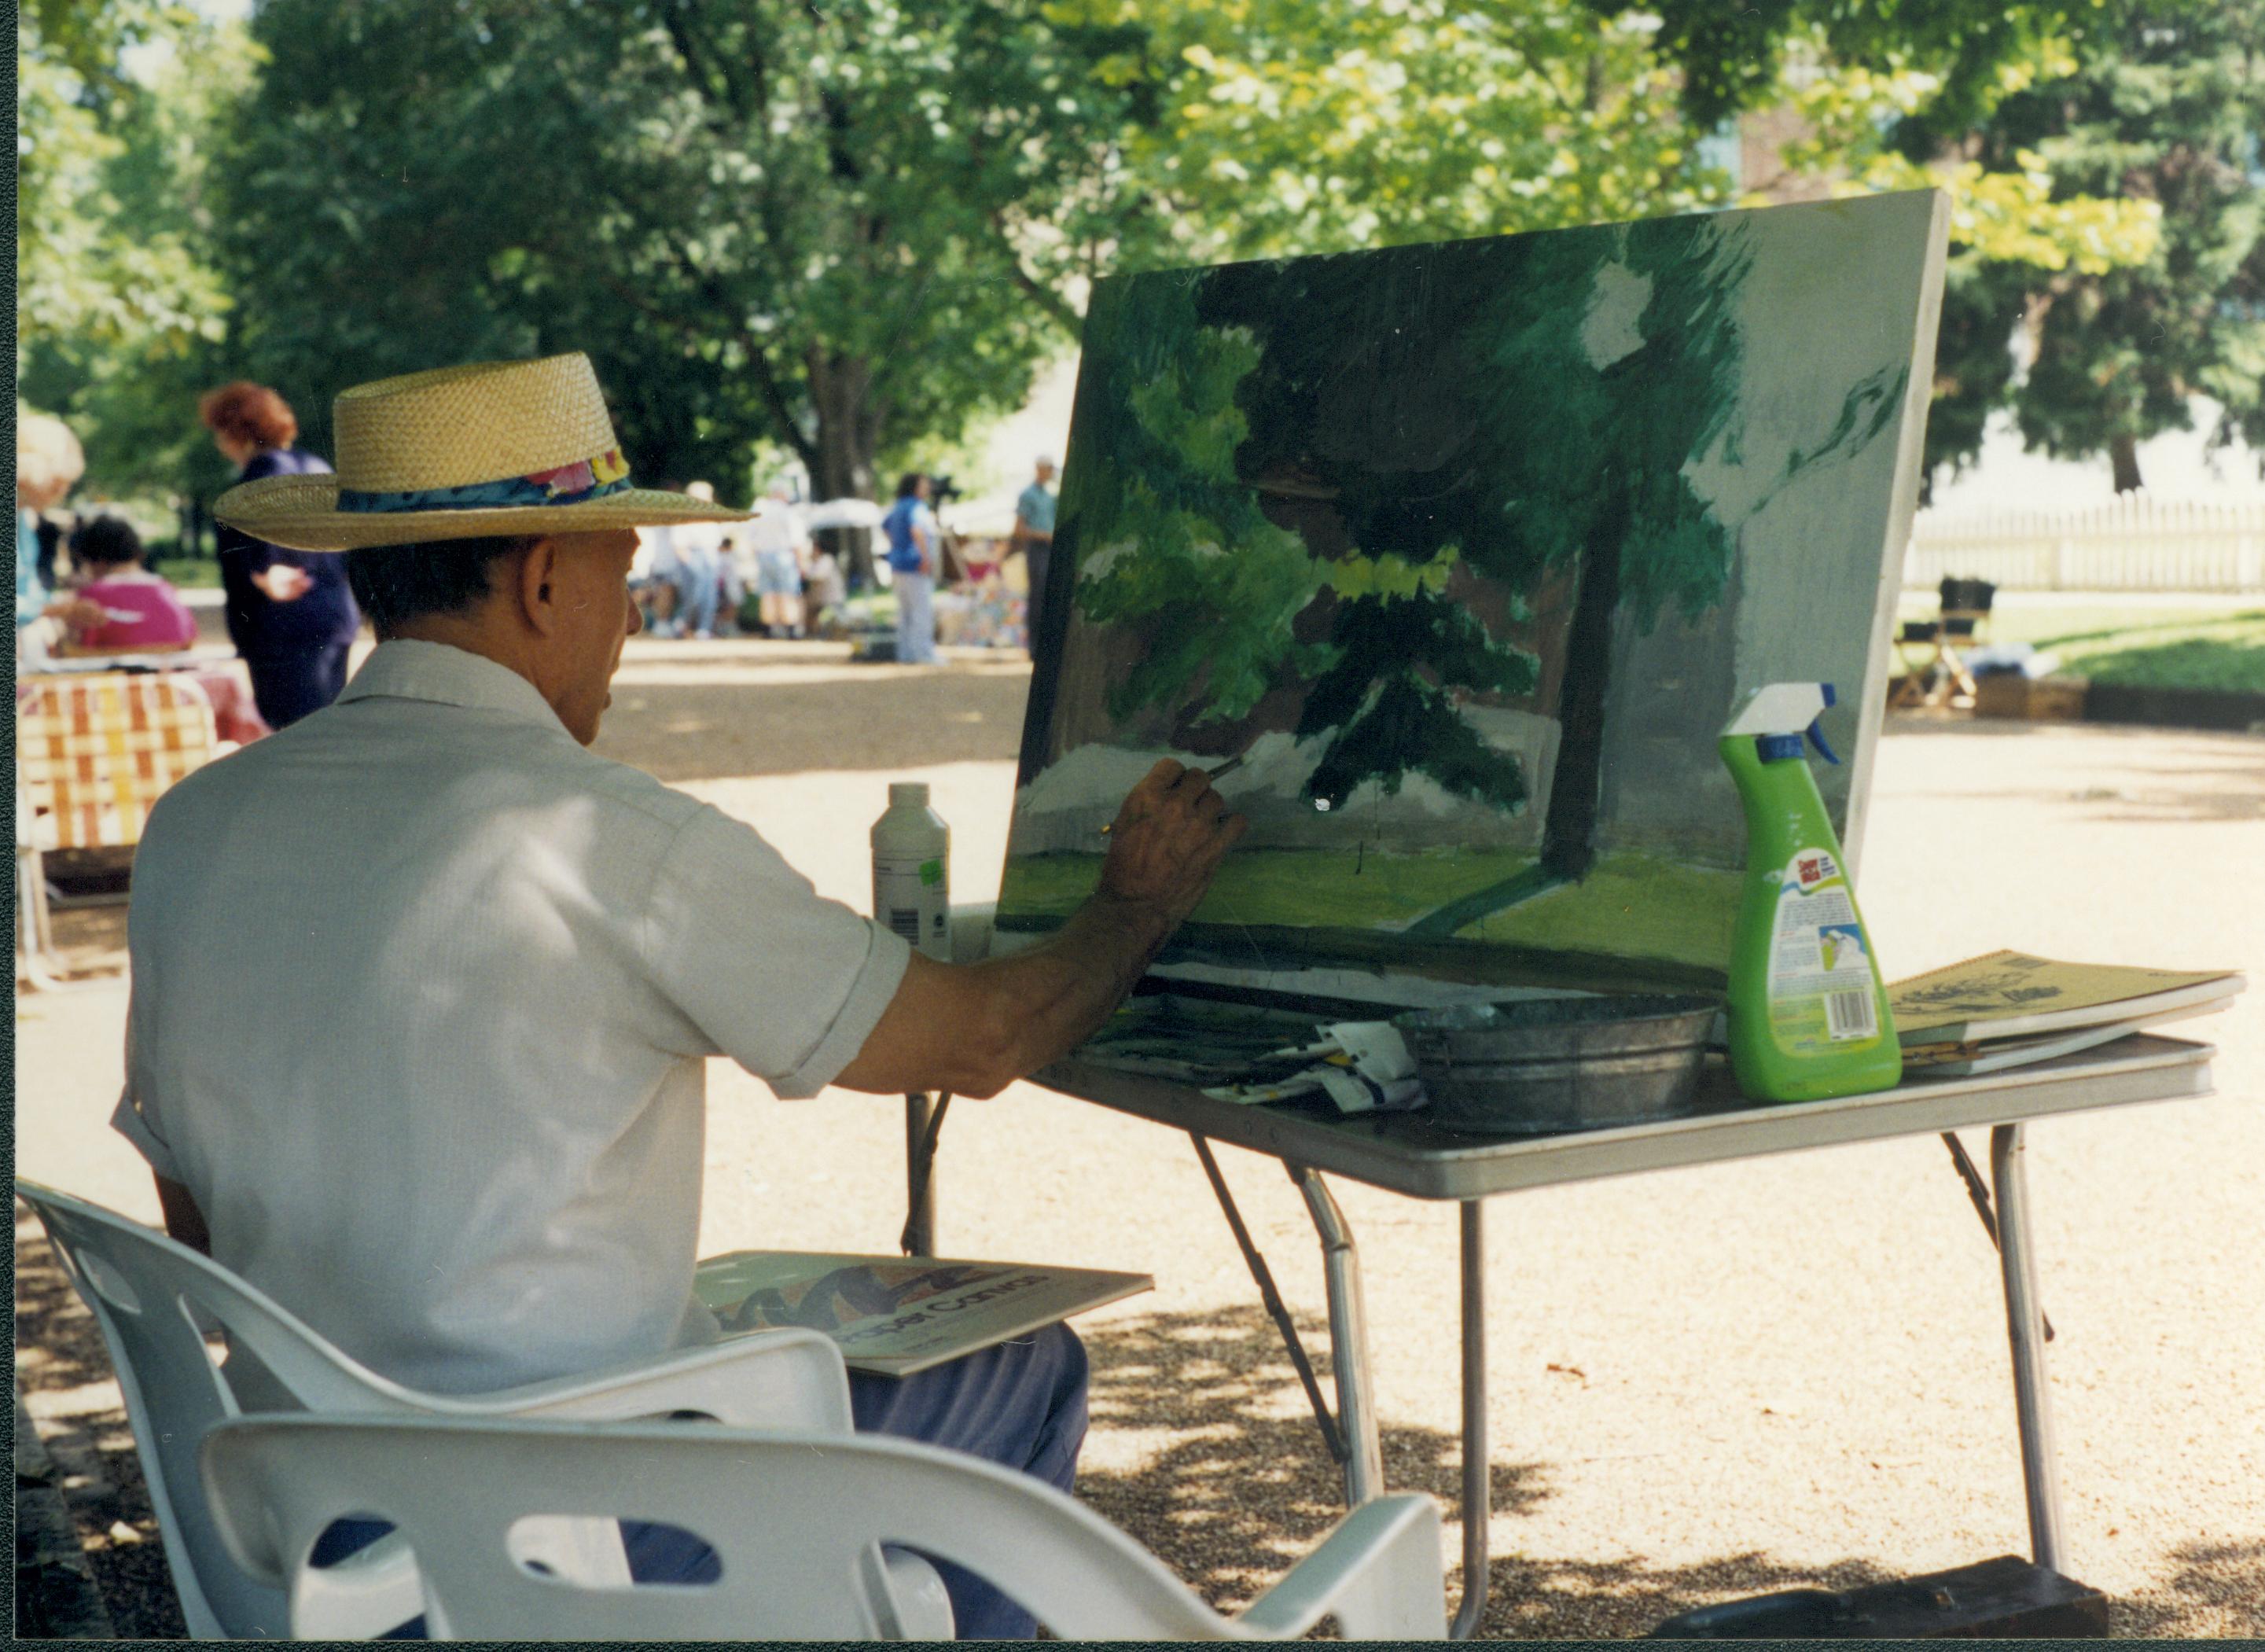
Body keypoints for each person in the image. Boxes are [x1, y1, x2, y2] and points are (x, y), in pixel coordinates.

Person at [113, 352, 1242, 1640]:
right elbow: (980, 1040)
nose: (634, 619)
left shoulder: (197, 824)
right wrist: (1135, 908)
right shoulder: (608, 837)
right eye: (623, 576)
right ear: (546, 580)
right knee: (1024, 1367)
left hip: (305, 1535)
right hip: (561, 1542)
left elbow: (193, 1219)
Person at [200, 381, 362, 727]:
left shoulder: (262, 476)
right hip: (334, 615)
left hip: (284, 628)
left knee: (293, 732)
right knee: (326, 726)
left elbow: (260, 555)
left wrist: (262, 573)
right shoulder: (318, 467)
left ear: (235, 433)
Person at [56, 517, 198, 653]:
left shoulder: (90, 598)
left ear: (94, 559)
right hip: (169, 671)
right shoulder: (167, 590)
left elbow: (75, 648)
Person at [882, 472, 939, 665]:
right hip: (914, 563)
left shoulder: (898, 506)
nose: (928, 488)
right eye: (924, 484)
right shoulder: (917, 506)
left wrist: (897, 545)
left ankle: (905, 653)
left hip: (898, 563)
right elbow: (917, 530)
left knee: (905, 612)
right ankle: (924, 653)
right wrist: (924, 557)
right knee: (921, 611)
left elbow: (886, 526)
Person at [741, 483, 811, 638]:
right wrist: (802, 564)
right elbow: (797, 541)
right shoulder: (788, 513)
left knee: (767, 594)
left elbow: (750, 538)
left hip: (764, 556)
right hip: (784, 555)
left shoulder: (760, 510)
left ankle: (768, 629)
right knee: (787, 593)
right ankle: (791, 629)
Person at [672, 480, 726, 638]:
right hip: (692, 556)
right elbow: (678, 544)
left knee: (710, 597)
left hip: (709, 556)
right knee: (692, 596)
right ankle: (682, 625)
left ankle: (704, 628)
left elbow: (716, 542)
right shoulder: (683, 517)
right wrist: (688, 562)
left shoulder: (711, 516)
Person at [1010, 454, 1057, 618]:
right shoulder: (1028, 495)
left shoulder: (1049, 495)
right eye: (1049, 468)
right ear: (1039, 469)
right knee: (1037, 593)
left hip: (1049, 549)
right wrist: (1044, 535)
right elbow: (1019, 529)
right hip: (1037, 548)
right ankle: (1034, 639)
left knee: (1047, 593)